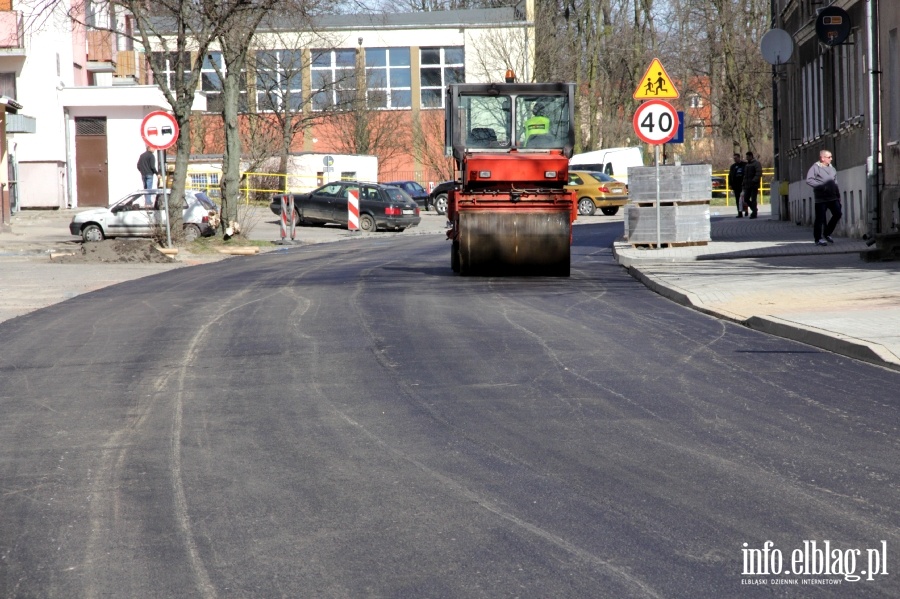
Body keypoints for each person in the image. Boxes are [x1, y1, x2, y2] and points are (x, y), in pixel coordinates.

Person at [806, 149, 842, 246]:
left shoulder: (832, 168)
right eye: (829, 157)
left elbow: (835, 183)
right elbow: (809, 180)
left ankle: (827, 233)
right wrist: (821, 186)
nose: (831, 159)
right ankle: (818, 239)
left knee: (838, 213)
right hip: (821, 199)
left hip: (833, 197)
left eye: (831, 157)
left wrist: (838, 195)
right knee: (820, 218)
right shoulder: (815, 168)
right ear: (822, 158)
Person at [742, 151, 762, 219]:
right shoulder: (747, 165)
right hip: (747, 185)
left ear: (751, 156)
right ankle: (754, 209)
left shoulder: (756, 164)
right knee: (746, 198)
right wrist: (744, 183)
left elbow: (758, 173)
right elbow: (745, 175)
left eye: (747, 157)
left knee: (753, 199)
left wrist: (754, 180)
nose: (746, 158)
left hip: (754, 185)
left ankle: (754, 213)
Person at [728, 152, 746, 217]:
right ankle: (739, 212)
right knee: (737, 199)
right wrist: (730, 184)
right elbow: (730, 176)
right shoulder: (733, 167)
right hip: (736, 186)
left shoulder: (744, 165)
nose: (735, 159)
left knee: (745, 198)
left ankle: (746, 211)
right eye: (734, 158)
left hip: (743, 185)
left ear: (739, 157)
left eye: (736, 158)